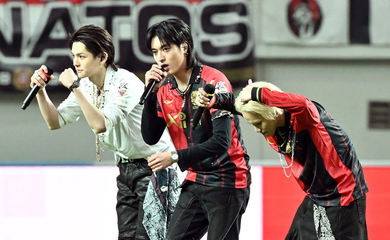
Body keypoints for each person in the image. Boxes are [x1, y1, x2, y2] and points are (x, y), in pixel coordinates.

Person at [30, 24, 175, 240]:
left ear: (102, 57)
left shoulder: (124, 83)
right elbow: (55, 121)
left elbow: (100, 124)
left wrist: (74, 87)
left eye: (82, 56)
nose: (75, 62)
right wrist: (41, 92)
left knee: (151, 237)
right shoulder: (87, 85)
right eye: (73, 55)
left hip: (154, 168)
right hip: (126, 169)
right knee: (126, 237)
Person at [198, 80, 369, 239]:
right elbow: (243, 107)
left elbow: (303, 103)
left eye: (258, 124)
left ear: (273, 113)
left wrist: (259, 93)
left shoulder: (306, 117)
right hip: (317, 196)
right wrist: (215, 101)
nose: (257, 130)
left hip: (344, 198)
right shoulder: (270, 119)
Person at [140, 18, 251, 240]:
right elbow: (150, 137)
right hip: (196, 179)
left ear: (184, 46)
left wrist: (173, 157)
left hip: (227, 180)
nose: (160, 58)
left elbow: (221, 142)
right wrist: (150, 96)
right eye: (155, 52)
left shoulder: (214, 81)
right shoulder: (164, 90)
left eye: (165, 48)